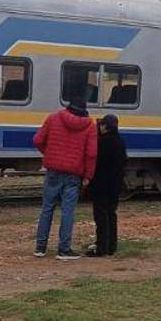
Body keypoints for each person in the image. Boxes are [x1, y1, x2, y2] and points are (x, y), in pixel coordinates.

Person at [32, 96, 97, 259]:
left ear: (68, 107)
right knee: (68, 211)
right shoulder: (90, 125)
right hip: (74, 174)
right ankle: (64, 249)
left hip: (53, 171)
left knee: (47, 208)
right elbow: (91, 154)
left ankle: (40, 248)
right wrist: (88, 175)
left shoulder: (53, 118)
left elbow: (38, 140)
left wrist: (48, 154)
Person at [87, 114, 127, 257]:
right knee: (111, 214)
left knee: (100, 215)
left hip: (101, 185)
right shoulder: (120, 142)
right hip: (115, 185)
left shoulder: (101, 143)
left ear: (104, 126)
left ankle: (101, 246)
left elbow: (96, 165)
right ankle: (111, 246)